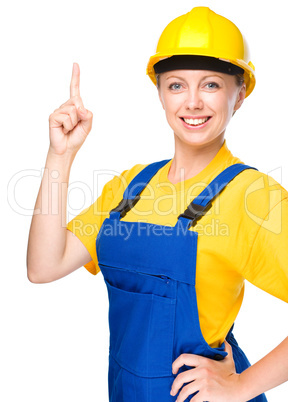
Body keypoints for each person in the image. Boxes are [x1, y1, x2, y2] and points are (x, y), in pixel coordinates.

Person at [27, 6, 288, 402]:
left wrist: (242, 385)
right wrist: (60, 155)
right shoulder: (131, 187)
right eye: (177, 85)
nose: (193, 102)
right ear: (161, 93)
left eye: (212, 85)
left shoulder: (254, 197)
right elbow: (44, 266)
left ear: (240, 94)